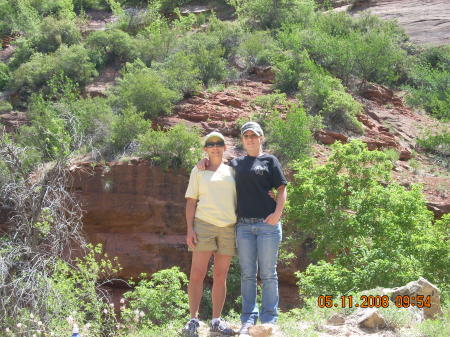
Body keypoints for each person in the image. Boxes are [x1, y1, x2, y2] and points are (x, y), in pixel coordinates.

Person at [199, 122, 288, 336]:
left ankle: (268, 319)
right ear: (242, 139)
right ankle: (248, 320)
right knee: (248, 274)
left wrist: (277, 214)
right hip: (244, 226)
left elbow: (282, 189)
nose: (250, 139)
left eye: (254, 136)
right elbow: (216, 167)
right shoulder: (235, 164)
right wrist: (204, 161)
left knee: (268, 273)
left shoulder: (270, 161)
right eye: (246, 136)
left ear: (261, 138)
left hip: (267, 225)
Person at [182, 131, 237, 337]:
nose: (215, 147)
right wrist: (189, 229)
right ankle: (193, 320)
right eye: (211, 144)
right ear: (205, 149)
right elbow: (191, 201)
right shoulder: (198, 170)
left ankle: (216, 321)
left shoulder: (233, 172)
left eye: (219, 143)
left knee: (220, 276)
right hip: (203, 225)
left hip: (228, 227)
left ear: (224, 147)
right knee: (197, 274)